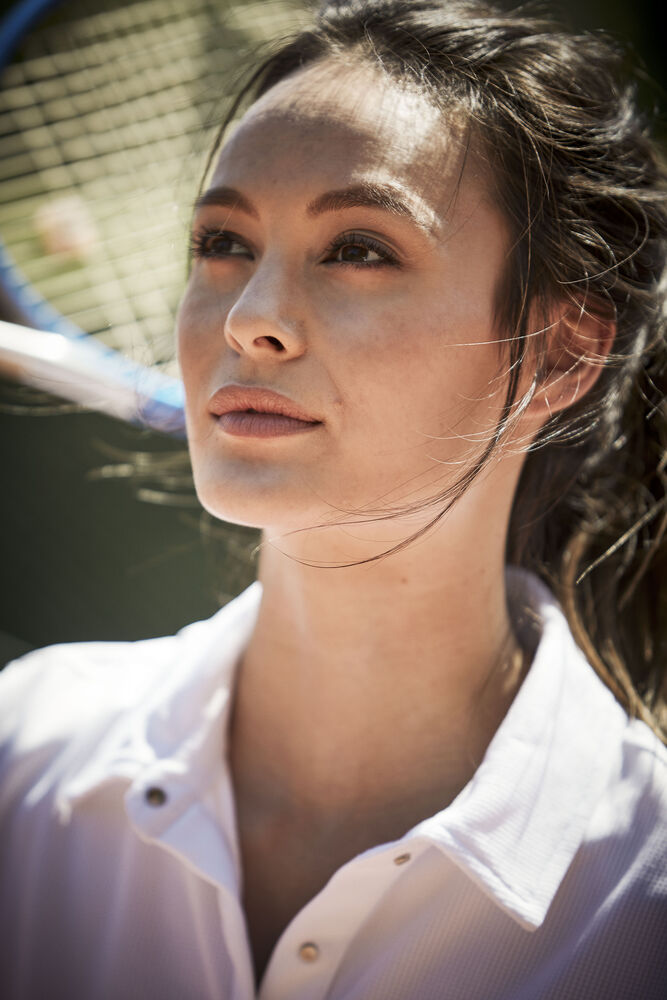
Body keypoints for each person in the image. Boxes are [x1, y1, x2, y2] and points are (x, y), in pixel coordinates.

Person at [1, 0, 666, 997]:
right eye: (222, 242)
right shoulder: (23, 754)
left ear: (562, 352)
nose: (249, 317)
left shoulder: (645, 895)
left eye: (358, 249)